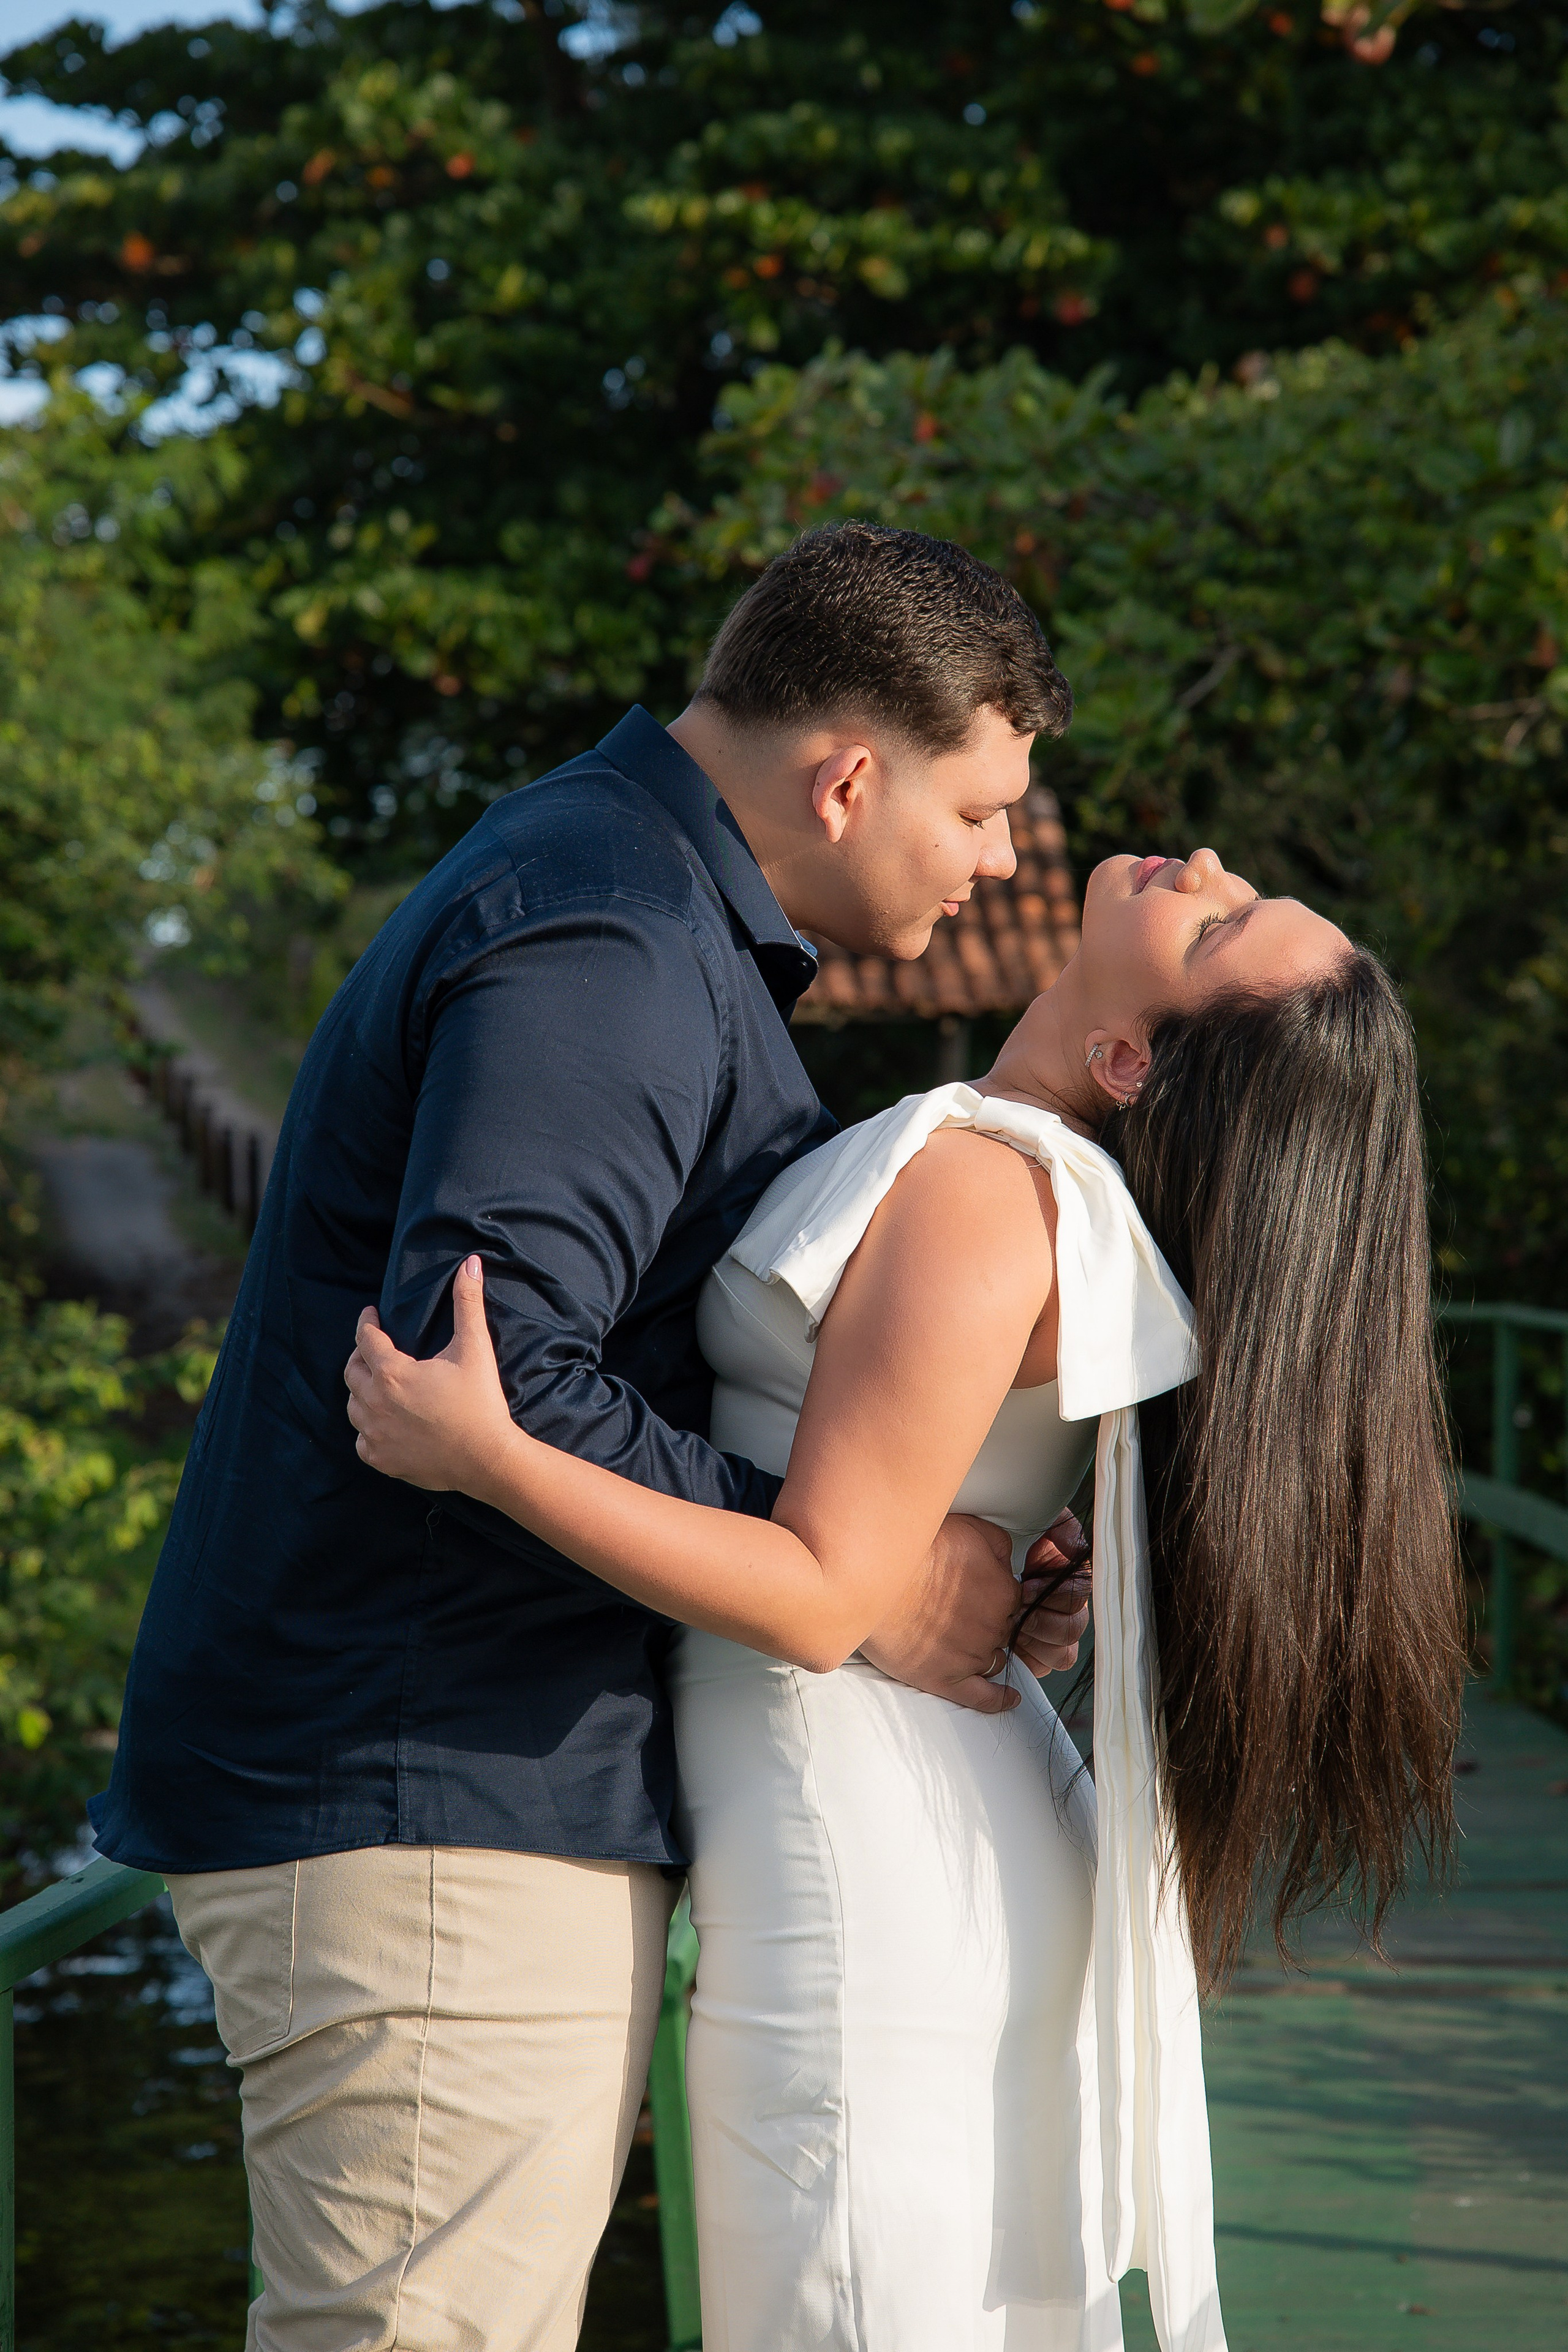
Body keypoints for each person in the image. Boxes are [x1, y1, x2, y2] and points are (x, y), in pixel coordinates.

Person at [88, 522, 1098, 2351]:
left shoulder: (626, 895)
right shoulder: (616, 937)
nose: (1001, 857)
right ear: (851, 776)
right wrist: (853, 1574)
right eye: (977, 811)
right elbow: (488, 1369)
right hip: (422, 1793)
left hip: (457, 1783)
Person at [346, 844, 1467, 2352]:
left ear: (1130, 1057)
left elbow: (820, 1598)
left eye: (1217, 920)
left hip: (859, 1843)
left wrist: (488, 1456)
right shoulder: (1016, 1184)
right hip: (932, 1806)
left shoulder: (985, 1195)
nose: (1201, 862)